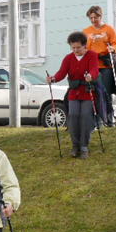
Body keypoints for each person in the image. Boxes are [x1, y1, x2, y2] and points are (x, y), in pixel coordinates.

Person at [47, 31, 99, 159]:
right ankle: (75, 146)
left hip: (87, 91)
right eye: (73, 47)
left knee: (86, 116)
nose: (75, 50)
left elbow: (95, 70)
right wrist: (53, 78)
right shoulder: (68, 58)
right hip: (74, 93)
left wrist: (90, 76)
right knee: (73, 116)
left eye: (78, 47)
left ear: (85, 45)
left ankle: (84, 146)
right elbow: (61, 73)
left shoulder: (92, 55)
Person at [83, 5, 116, 126]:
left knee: (105, 92)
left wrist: (113, 49)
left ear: (100, 16)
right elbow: (83, 48)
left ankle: (109, 119)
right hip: (92, 65)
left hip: (106, 66)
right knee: (94, 92)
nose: (93, 20)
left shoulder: (109, 29)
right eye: (91, 18)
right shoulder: (86, 32)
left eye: (95, 17)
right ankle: (97, 121)